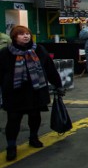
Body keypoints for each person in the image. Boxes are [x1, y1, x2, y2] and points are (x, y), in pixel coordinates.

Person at [0, 25, 64, 161]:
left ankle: (33, 138)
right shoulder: (5, 53)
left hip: (36, 90)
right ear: (14, 37)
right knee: (13, 120)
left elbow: (50, 68)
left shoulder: (39, 50)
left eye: (27, 33)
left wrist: (58, 85)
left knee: (35, 116)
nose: (25, 36)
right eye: (21, 34)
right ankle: (11, 146)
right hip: (14, 92)